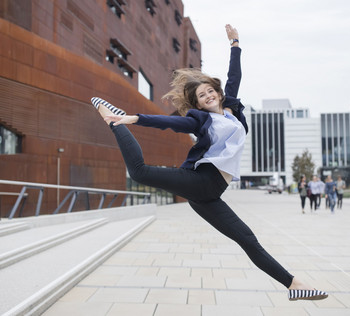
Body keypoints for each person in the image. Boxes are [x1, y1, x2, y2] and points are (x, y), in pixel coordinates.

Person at [90, 24, 327, 301]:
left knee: (247, 240)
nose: (208, 96)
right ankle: (114, 121)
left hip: (211, 195)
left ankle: (294, 285)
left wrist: (235, 44)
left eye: (209, 91)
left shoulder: (232, 108)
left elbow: (235, 75)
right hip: (202, 181)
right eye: (201, 96)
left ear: (217, 92)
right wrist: (135, 119)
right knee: (139, 172)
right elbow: (172, 123)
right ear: (199, 105)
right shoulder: (201, 119)